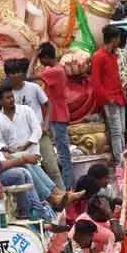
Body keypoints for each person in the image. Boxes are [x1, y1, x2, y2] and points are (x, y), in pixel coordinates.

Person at [0, 85, 78, 208]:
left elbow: (37, 130)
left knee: (52, 170)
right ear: (0, 101)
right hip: (13, 155)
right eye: (7, 98)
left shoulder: (25, 110)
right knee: (24, 160)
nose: (11, 99)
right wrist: (8, 149)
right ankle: (55, 195)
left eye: (12, 96)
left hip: (31, 150)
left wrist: (25, 145)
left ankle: (58, 194)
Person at [5, 58, 63, 186]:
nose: (15, 76)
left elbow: (48, 105)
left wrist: (46, 124)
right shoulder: (6, 93)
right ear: (7, 75)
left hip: (39, 135)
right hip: (20, 139)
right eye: (12, 73)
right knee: (32, 172)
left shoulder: (34, 87)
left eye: (18, 72)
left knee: (52, 169)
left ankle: (64, 198)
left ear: (22, 73)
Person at [37, 43, 75, 188]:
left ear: (46, 57)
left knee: (63, 154)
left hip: (58, 116)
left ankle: (68, 187)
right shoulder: (57, 69)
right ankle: (67, 185)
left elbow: (28, 76)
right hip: (57, 115)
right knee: (61, 153)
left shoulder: (55, 71)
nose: (40, 62)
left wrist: (34, 56)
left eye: (41, 58)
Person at [92, 26, 127, 159]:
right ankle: (120, 160)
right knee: (116, 131)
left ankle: (124, 157)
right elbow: (96, 82)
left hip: (119, 97)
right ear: (114, 39)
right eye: (118, 38)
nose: (120, 41)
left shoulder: (113, 55)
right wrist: (107, 98)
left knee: (122, 130)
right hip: (110, 99)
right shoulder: (99, 56)